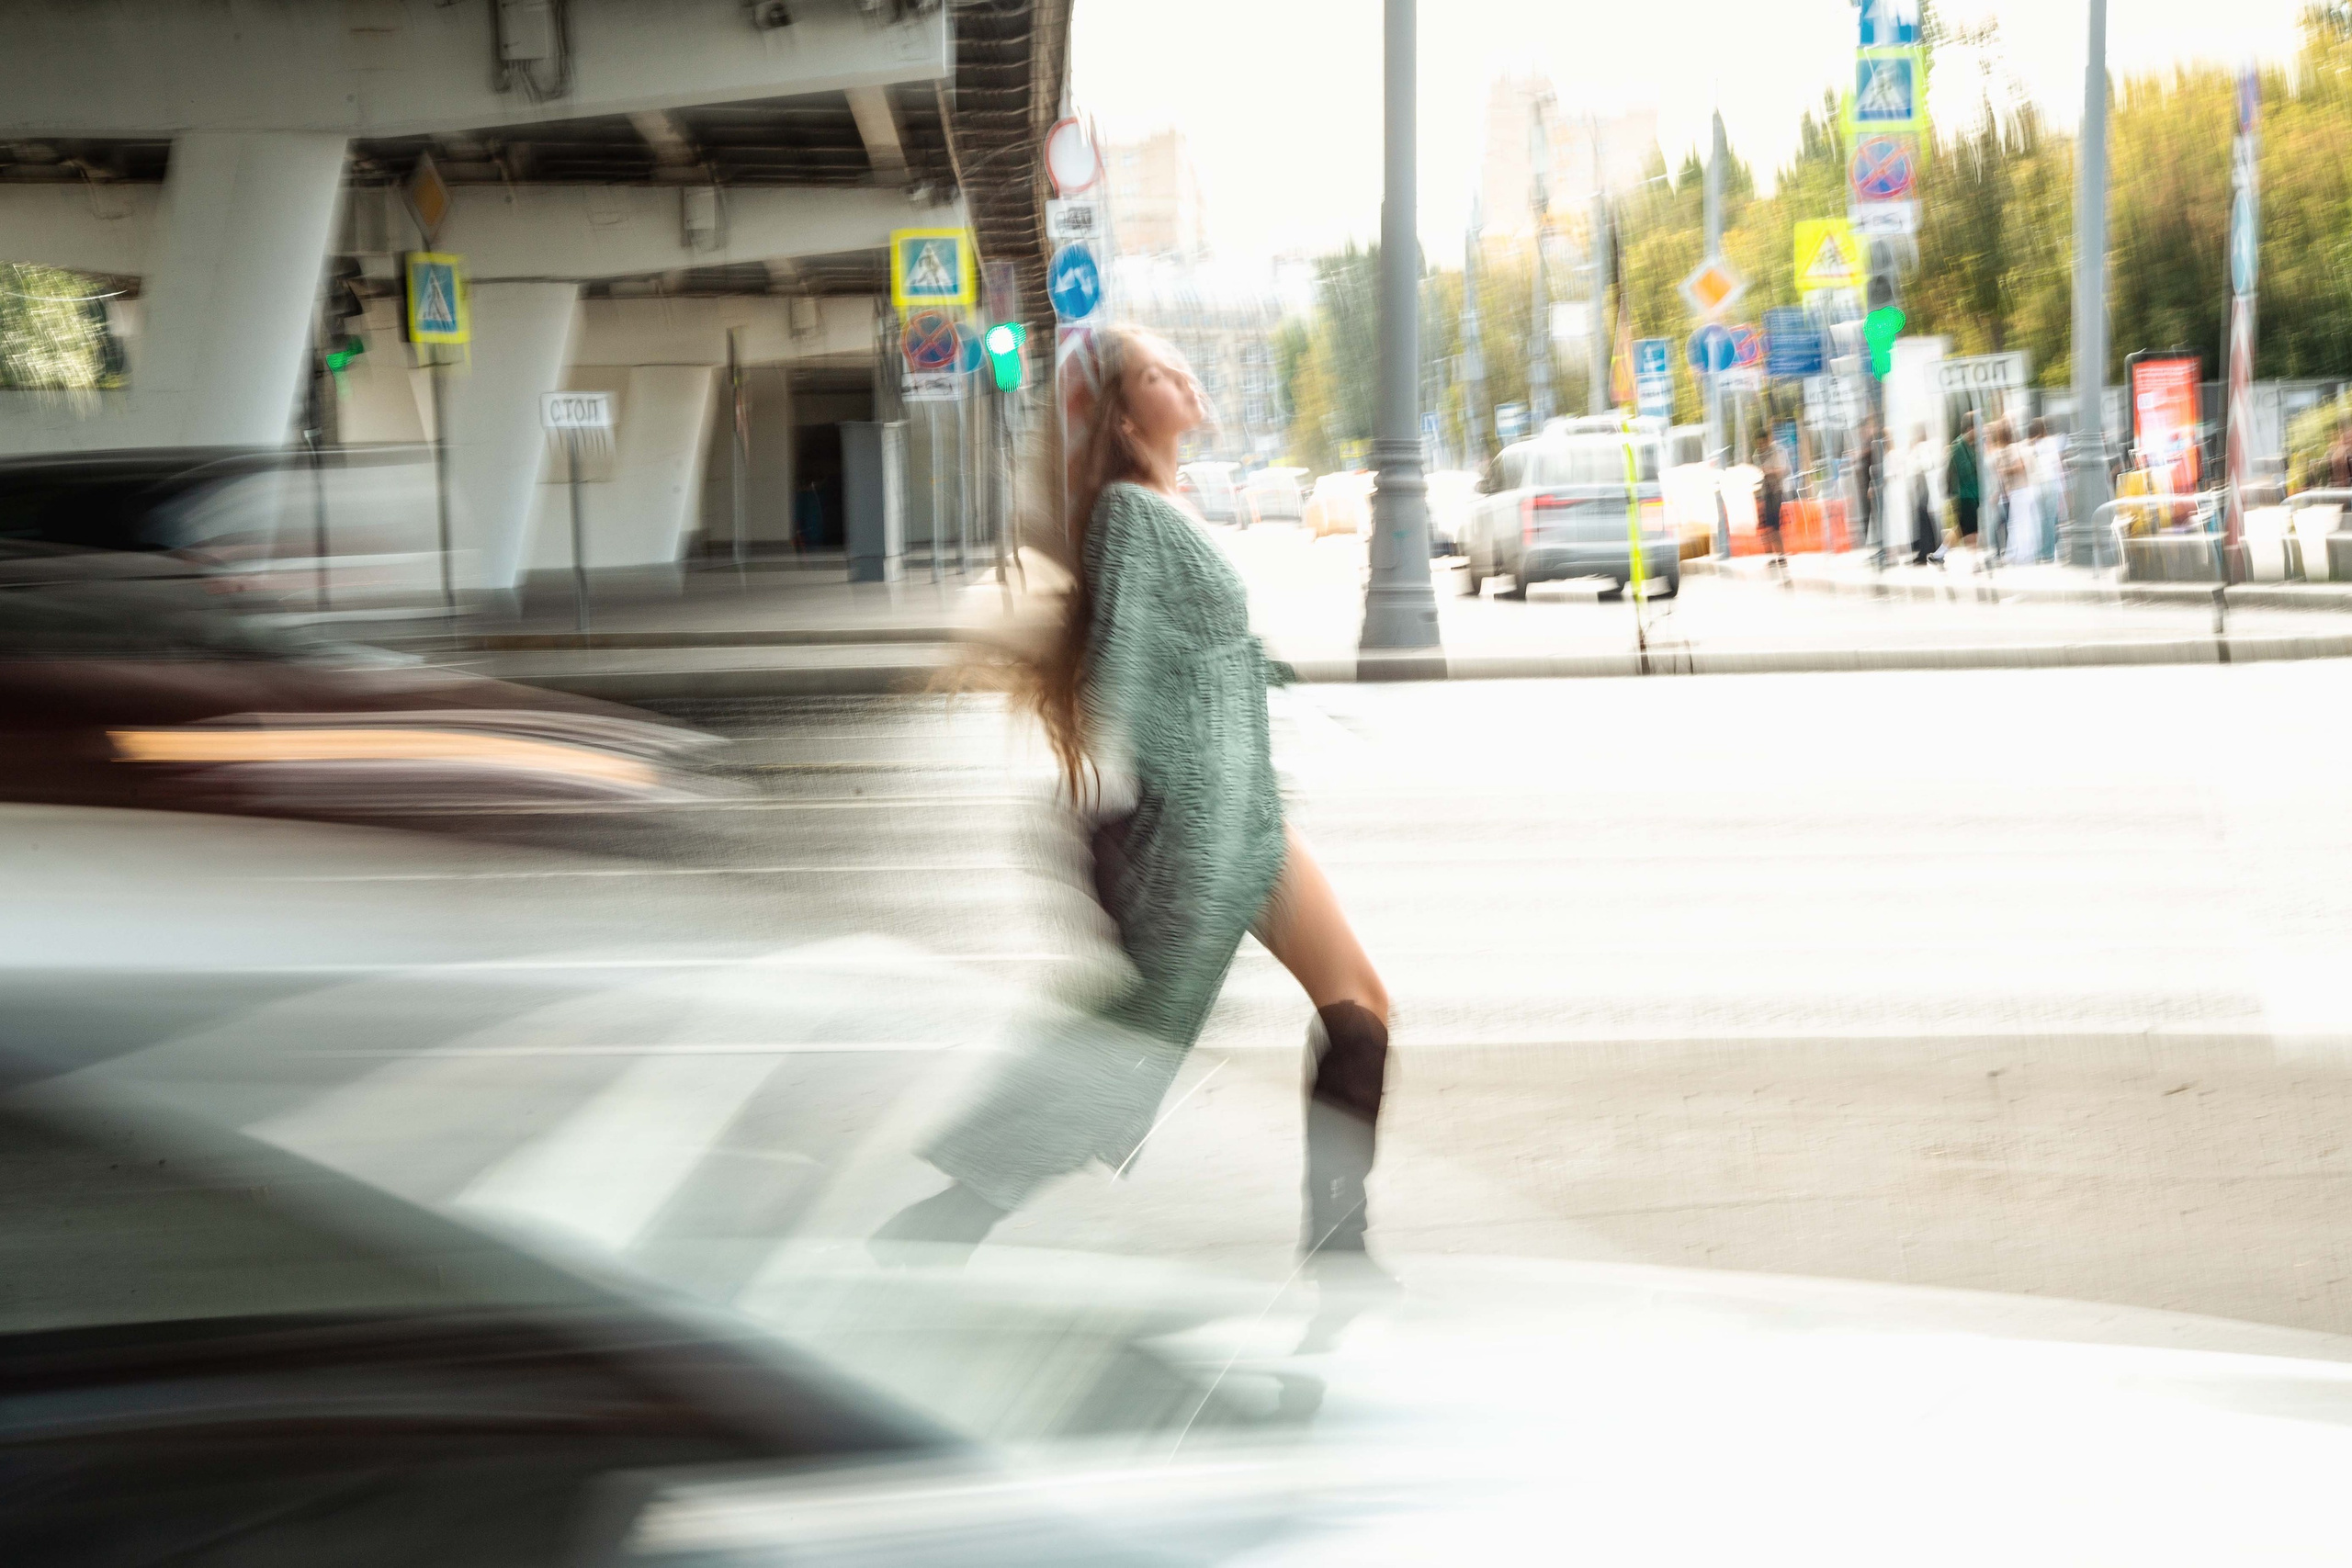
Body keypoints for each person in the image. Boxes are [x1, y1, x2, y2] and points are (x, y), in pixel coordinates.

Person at [875, 325, 1394, 1281]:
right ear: (1121, 415)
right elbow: (1121, 650)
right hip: (1199, 816)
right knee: (1138, 1034)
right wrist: (1113, 796)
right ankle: (952, 1213)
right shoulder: (1127, 512)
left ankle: (1337, 1247)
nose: (1183, 378)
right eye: (1157, 373)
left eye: (1178, 365)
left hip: (1241, 803)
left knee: (1353, 1001)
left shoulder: (1167, 501)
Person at [2030, 417, 2067, 563]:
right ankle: (2049, 553)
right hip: (2050, 483)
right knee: (2050, 520)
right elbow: (2057, 466)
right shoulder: (2051, 443)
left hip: (2036, 485)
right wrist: (2063, 487)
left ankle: (2040, 552)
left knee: (2040, 520)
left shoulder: (2031, 446)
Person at [1947, 412, 1982, 563]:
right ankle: (1974, 562)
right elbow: (1965, 471)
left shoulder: (1968, 445)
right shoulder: (1958, 447)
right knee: (1971, 530)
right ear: (1970, 428)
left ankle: (1938, 555)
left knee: (1961, 529)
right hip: (1965, 495)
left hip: (1970, 494)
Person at [1755, 439, 1788, 570]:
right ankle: (1772, 557)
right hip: (1765, 494)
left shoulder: (1776, 452)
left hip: (1775, 492)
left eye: (1762, 443)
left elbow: (1782, 470)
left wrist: (1767, 471)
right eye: (1759, 444)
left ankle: (1781, 556)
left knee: (1775, 527)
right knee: (1767, 527)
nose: (1761, 446)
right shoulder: (1757, 455)